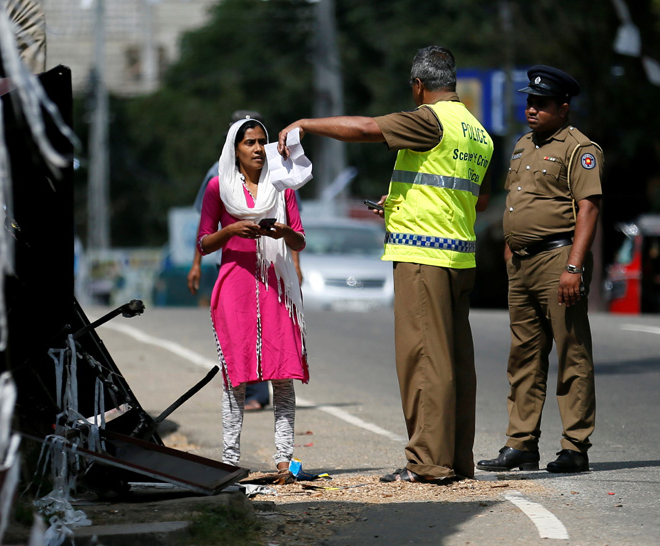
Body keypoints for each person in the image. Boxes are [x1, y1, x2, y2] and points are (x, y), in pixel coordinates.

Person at [277, 46, 493, 483]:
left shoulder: (430, 119)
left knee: (423, 359)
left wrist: (305, 124)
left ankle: (427, 461)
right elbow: (476, 198)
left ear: (419, 86)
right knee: (455, 362)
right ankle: (455, 459)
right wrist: (400, 203)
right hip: (459, 256)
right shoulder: (478, 132)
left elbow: (365, 128)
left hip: (423, 257)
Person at [477, 66, 602, 474]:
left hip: (558, 260)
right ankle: (521, 443)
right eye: (529, 102)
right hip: (523, 263)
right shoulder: (521, 145)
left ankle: (575, 446)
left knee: (572, 353)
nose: (532, 109)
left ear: (563, 108)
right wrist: (511, 248)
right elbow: (518, 200)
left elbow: (588, 208)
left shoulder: (579, 148)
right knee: (523, 356)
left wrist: (574, 266)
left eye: (542, 103)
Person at [196, 117, 308, 473]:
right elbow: (203, 242)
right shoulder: (218, 187)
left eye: (262, 141)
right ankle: (229, 462)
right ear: (235, 150)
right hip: (235, 287)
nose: (258, 148)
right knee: (235, 376)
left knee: (283, 373)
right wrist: (231, 230)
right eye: (250, 143)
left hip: (277, 287)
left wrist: (283, 232)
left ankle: (284, 461)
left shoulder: (283, 186)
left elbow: (299, 241)